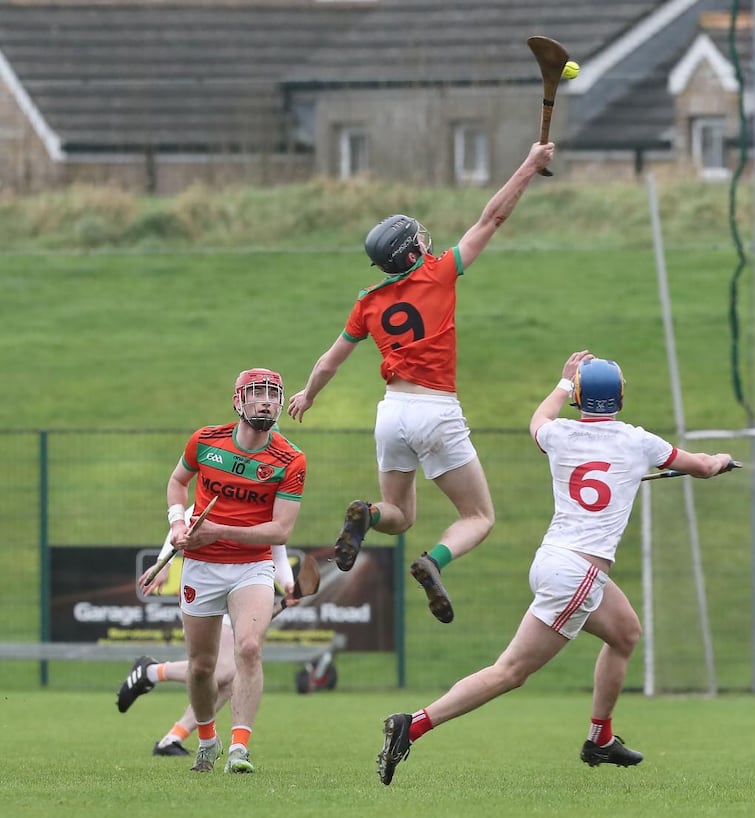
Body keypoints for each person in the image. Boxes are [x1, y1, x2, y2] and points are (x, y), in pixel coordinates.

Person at [375, 351, 737, 784]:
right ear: (621, 396)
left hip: (556, 561)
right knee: (510, 672)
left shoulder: (560, 434)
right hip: (578, 575)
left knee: (625, 633)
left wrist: (563, 382)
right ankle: (411, 725)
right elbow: (700, 466)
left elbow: (537, 420)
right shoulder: (640, 442)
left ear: (578, 398)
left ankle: (600, 739)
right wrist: (719, 460)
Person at [287, 140, 556, 625]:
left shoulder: (367, 302)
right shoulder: (440, 272)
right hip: (436, 410)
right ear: (412, 250)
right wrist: (530, 166)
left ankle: (366, 516)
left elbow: (330, 361)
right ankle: (434, 560)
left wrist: (308, 394)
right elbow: (491, 218)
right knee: (479, 517)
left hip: (391, 413)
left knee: (397, 514)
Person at [163, 367, 306, 774]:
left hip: (251, 566)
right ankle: (206, 739)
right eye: (257, 394)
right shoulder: (205, 441)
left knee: (248, 648)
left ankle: (240, 747)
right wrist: (178, 523)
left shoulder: (290, 459)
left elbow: (281, 529)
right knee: (202, 666)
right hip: (202, 568)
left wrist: (217, 531)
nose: (266, 401)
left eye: (274, 395)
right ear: (238, 401)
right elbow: (177, 482)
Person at [115, 507, 295, 758]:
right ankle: (150, 672)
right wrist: (163, 562)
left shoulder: (268, 502)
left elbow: (277, 553)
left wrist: (288, 585)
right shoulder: (222, 485)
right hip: (208, 586)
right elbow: (182, 523)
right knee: (217, 669)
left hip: (245, 588)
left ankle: (172, 738)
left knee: (230, 680)